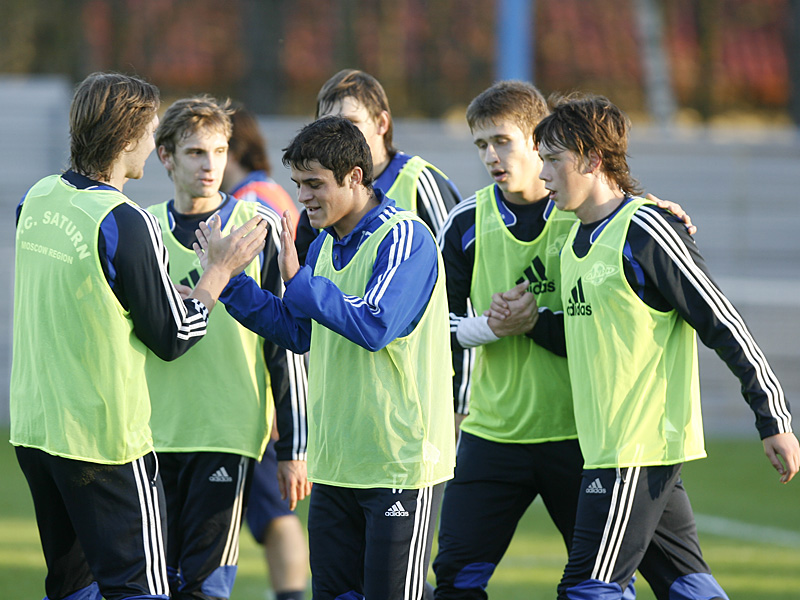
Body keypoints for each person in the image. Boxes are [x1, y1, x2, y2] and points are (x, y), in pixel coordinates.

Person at [491, 92, 799, 600]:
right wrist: (529, 324)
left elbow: (723, 323)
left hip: (634, 447)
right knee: (686, 585)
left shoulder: (647, 230)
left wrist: (773, 418)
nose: (543, 174)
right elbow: (586, 338)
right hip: (611, 449)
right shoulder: (575, 241)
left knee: (588, 588)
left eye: (553, 160)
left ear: (592, 159)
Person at [10, 72, 267, 600]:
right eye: (150, 132)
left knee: (74, 589)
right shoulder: (126, 221)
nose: (152, 144)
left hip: (36, 431)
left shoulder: (35, 199)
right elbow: (174, 336)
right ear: (127, 138)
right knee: (140, 588)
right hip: (103, 441)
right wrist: (217, 273)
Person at [197, 116, 456, 600]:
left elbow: (375, 324)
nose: (303, 197)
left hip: (398, 464)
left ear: (355, 176)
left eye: (314, 184)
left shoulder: (405, 237)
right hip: (335, 463)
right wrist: (229, 280)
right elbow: (298, 332)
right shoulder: (321, 244)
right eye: (298, 184)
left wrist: (299, 283)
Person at [145, 96, 309, 600]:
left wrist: (293, 448)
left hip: (226, 430)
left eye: (219, 151)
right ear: (166, 156)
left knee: (204, 587)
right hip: (148, 433)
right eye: (195, 152)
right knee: (150, 585)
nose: (210, 164)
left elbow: (287, 341)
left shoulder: (257, 227)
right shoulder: (142, 229)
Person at [219, 99, 311, 600]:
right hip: (275, 379)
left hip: (262, 384)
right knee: (274, 513)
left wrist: (279, 401)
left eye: (213, 148)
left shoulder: (250, 203)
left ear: (230, 148)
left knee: (277, 514)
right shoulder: (271, 192)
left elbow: (269, 304)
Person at [295, 68, 462, 261]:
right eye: (327, 126)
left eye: (350, 123)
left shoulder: (419, 181)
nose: (337, 136)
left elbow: (451, 264)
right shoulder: (318, 199)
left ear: (382, 123)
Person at [222, 101, 301, 229]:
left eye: (217, 150)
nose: (206, 162)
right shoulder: (268, 188)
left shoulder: (249, 204)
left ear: (234, 151)